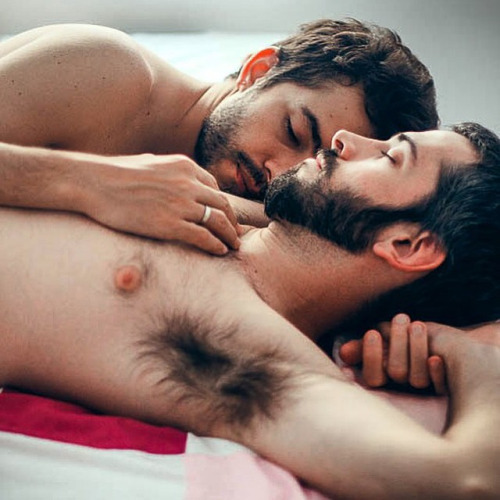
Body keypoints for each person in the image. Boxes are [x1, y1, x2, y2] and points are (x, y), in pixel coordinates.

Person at [1, 121, 499, 498]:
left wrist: (467, 354)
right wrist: (80, 180)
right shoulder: (195, 194)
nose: (345, 138)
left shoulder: (245, 348)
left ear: (408, 245)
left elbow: (465, 480)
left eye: (390, 156)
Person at [0, 19, 439, 254]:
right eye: (293, 131)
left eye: (315, 167)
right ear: (258, 70)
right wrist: (93, 184)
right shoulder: (107, 68)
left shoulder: (267, 219)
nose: (279, 173)